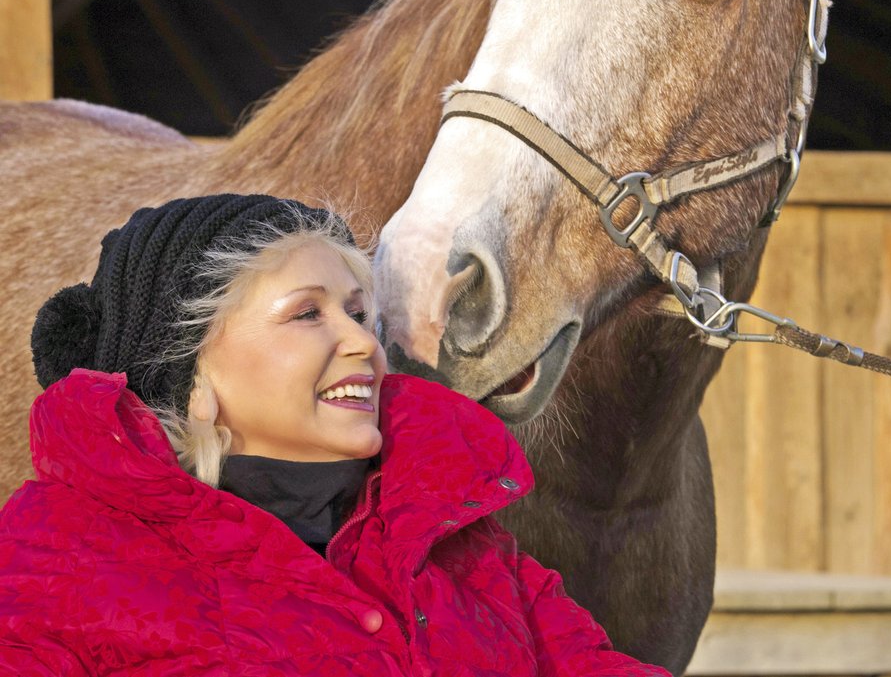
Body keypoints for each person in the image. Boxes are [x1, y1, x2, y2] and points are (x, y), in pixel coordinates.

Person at [0, 194, 671, 676]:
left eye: (359, 313)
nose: (361, 342)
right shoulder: (49, 570)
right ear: (193, 377)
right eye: (306, 314)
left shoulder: (460, 546)